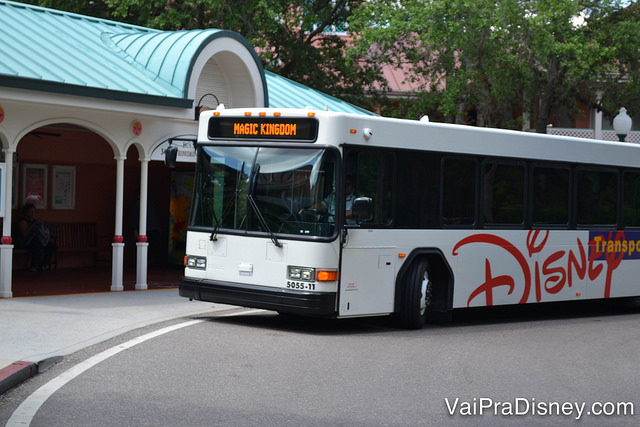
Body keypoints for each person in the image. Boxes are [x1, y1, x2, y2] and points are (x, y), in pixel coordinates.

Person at [14, 203, 55, 272]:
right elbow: (24, 234)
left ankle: (43, 264)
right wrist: (32, 226)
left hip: (37, 240)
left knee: (51, 246)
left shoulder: (35, 221)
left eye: (34, 212)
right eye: (31, 212)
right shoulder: (22, 221)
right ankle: (34, 265)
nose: (33, 214)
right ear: (26, 212)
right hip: (25, 242)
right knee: (36, 245)